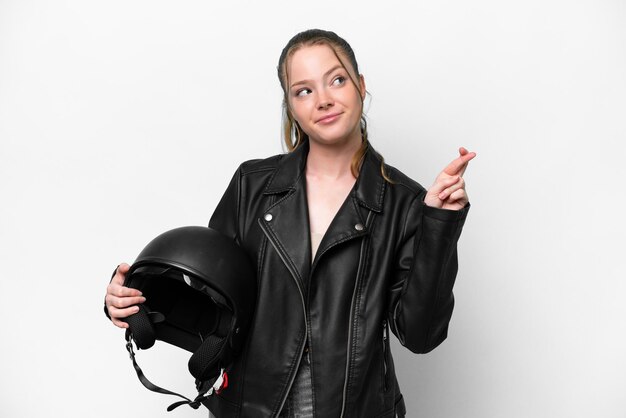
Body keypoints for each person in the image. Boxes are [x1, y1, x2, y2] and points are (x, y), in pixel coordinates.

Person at [105, 28, 475, 418]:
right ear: (291, 107)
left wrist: (439, 224)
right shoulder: (252, 185)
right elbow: (213, 298)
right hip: (252, 407)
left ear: (361, 86)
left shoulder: (405, 202)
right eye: (304, 91)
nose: (324, 100)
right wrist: (133, 297)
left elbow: (420, 336)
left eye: (337, 80)